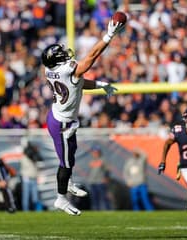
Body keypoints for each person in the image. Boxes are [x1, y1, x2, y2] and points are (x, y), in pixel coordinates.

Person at [41, 18, 124, 215]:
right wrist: (108, 36)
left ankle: (67, 182)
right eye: (61, 55)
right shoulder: (66, 70)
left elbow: (78, 83)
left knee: (71, 154)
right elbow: (92, 57)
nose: (66, 56)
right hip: (61, 123)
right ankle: (60, 199)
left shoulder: (51, 70)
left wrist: (100, 86)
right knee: (66, 163)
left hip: (60, 117)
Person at [20, 137, 43, 211]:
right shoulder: (25, 155)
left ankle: (36, 210)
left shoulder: (32, 154)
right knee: (26, 196)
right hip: (26, 177)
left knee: (34, 196)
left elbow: (39, 159)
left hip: (33, 177)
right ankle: (26, 210)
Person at [87, 146, 111, 210]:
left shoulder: (103, 160)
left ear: (99, 152)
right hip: (92, 182)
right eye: (94, 152)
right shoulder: (91, 161)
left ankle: (108, 210)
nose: (95, 153)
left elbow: (107, 170)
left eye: (96, 152)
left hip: (101, 182)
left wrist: (106, 178)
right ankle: (96, 211)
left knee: (104, 198)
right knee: (94, 198)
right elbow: (89, 172)